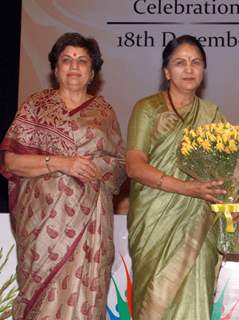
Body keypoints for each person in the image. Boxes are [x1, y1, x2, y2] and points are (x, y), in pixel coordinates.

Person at [0, 32, 126, 320]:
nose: (74, 66)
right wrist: (61, 163)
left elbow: (119, 167)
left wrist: (97, 168)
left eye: (82, 61)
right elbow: (11, 161)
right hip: (41, 225)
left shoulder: (104, 113)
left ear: (92, 72)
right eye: (66, 59)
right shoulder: (36, 106)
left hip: (90, 225)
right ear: (55, 69)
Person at [126, 35, 226, 320]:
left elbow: (226, 169)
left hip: (198, 218)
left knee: (196, 293)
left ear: (204, 70)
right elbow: (134, 166)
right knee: (155, 299)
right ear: (166, 72)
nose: (189, 69)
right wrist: (186, 188)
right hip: (154, 218)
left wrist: (229, 206)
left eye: (196, 62)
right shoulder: (147, 109)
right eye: (180, 63)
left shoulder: (211, 113)